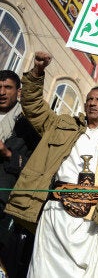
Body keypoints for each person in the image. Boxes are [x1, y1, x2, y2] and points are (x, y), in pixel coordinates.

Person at [4, 51, 98, 277]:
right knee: (43, 270)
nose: (93, 103)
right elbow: (33, 105)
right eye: (90, 99)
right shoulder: (62, 124)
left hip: (90, 217)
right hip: (55, 210)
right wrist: (37, 72)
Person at [0, 70, 40, 277]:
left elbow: (36, 169)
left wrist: (7, 153)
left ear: (19, 92)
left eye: (7, 87)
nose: (2, 92)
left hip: (6, 201)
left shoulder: (29, 125)